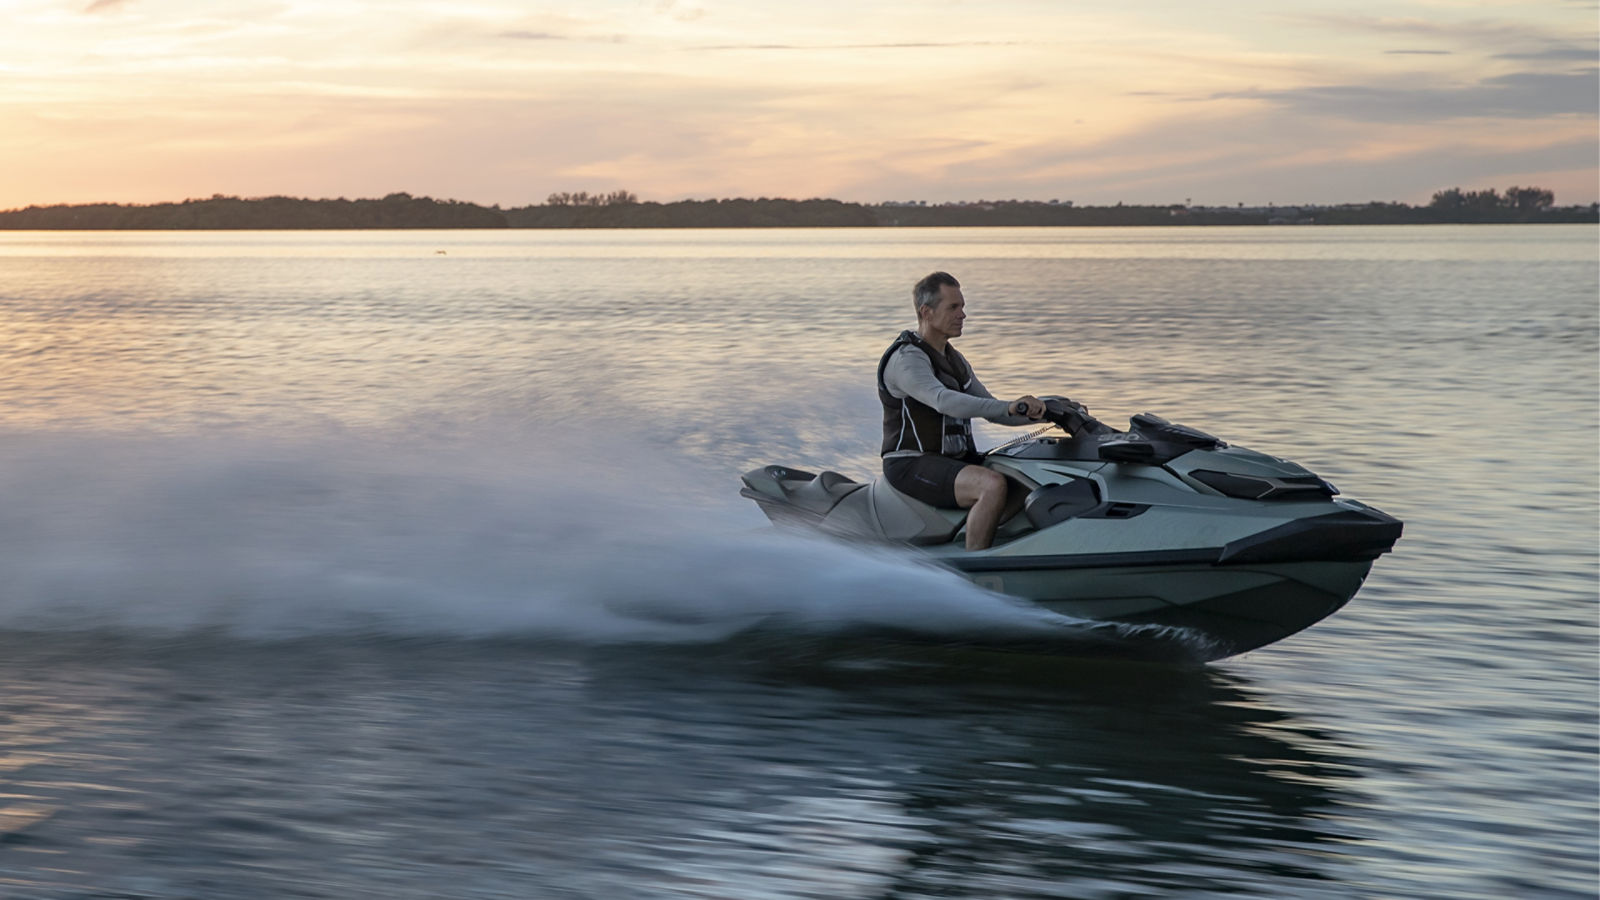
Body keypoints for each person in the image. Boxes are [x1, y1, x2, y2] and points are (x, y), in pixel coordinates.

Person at [877, 271, 1046, 550]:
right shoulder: (906, 359)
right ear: (926, 312)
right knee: (990, 485)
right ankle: (976, 566)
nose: (963, 315)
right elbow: (944, 401)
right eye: (953, 307)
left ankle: (1003, 545)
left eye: (963, 307)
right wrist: (1009, 406)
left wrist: (1047, 410)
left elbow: (994, 411)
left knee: (1026, 478)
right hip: (911, 464)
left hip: (952, 461)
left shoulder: (954, 359)